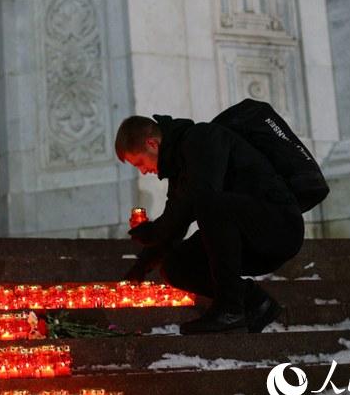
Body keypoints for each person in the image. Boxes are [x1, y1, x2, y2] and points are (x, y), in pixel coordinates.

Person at [116, 114, 304, 334]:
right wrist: (142, 265)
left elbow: (201, 199)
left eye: (140, 163)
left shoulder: (202, 138)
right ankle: (255, 303)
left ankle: (230, 308)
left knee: (210, 203)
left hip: (278, 226)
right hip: (240, 233)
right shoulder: (179, 168)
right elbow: (176, 221)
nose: (143, 171)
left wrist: (155, 231)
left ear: (152, 144)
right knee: (176, 266)